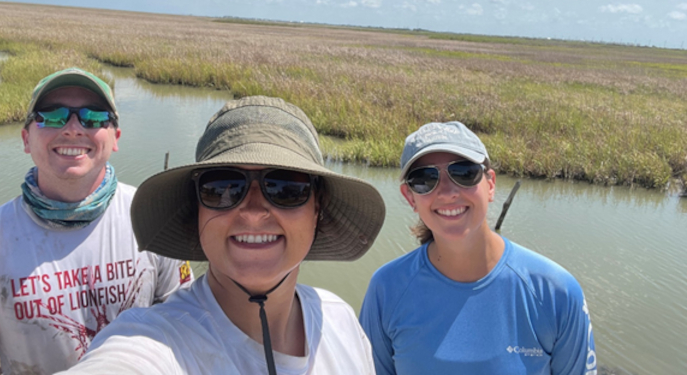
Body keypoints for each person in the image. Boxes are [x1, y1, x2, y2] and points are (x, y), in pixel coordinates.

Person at [57, 95, 387, 375]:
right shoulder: (155, 341)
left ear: (318, 208)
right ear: (197, 207)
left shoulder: (340, 320)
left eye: (286, 188)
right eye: (223, 189)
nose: (254, 211)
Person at [0, 68, 191, 375]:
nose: (73, 128)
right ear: (25, 139)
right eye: (52, 116)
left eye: (93, 117)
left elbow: (186, 331)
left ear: (115, 138)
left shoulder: (154, 219)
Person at [359, 121, 597, 375]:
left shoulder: (555, 292)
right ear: (410, 197)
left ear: (491, 184)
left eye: (463, 173)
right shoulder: (386, 290)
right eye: (425, 179)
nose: (447, 192)